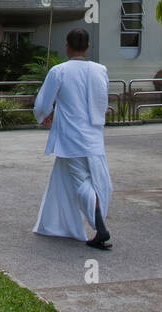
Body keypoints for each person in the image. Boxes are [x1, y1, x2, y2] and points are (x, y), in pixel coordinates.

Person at [32, 28, 114, 249]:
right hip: (94, 136)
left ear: (67, 46)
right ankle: (59, 224)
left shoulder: (59, 71)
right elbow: (102, 102)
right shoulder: (100, 70)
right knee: (92, 180)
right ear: (88, 47)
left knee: (83, 182)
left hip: (71, 138)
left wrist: (43, 116)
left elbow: (42, 104)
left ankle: (100, 226)